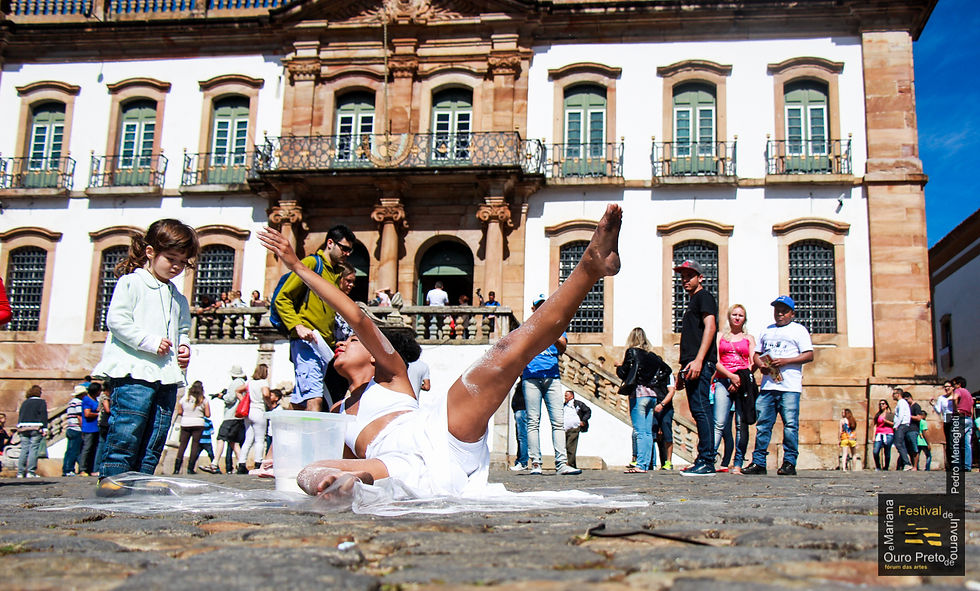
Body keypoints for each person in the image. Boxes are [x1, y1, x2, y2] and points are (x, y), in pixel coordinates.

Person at [252, 203, 621, 497]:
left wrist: (297, 265)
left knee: (507, 350)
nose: (341, 341)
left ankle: (590, 266)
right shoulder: (336, 410)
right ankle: (356, 484)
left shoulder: (392, 375)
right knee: (309, 472)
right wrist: (278, 459)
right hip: (390, 462)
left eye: (350, 341)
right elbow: (320, 450)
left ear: (371, 352)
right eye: (342, 341)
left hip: (438, 432)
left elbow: (358, 317)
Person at [93, 219, 197, 495]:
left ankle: (142, 477)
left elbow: (183, 329)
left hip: (165, 374)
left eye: (182, 261)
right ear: (150, 252)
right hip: (133, 370)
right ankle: (113, 476)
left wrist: (184, 346)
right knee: (128, 425)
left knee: (156, 431)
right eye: (171, 258)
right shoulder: (132, 283)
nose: (176, 266)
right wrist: (148, 342)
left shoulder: (178, 297)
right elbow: (117, 320)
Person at [276, 224, 356, 412]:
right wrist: (297, 326)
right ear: (330, 243)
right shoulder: (312, 264)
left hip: (323, 345)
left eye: (350, 250)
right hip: (307, 342)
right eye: (344, 248)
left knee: (300, 401)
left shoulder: (336, 273)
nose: (347, 254)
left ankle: (279, 439)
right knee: (315, 399)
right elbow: (283, 298)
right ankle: (314, 442)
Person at [743, 295, 813, 476]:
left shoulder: (799, 330)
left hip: (789, 386)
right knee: (763, 425)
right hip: (768, 386)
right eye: (777, 311)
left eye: (784, 311)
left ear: (792, 313)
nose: (780, 314)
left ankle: (789, 462)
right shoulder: (768, 330)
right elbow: (757, 354)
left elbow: (808, 355)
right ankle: (759, 462)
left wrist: (786, 361)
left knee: (790, 425)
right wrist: (761, 365)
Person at [521, 293, 580, 476]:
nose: (542, 308)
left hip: (552, 377)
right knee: (533, 421)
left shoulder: (557, 326)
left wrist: (551, 332)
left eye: (545, 305)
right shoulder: (527, 327)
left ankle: (561, 464)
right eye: (539, 306)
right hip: (531, 376)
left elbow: (562, 348)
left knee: (558, 422)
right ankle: (536, 463)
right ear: (533, 309)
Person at [673, 259, 718, 476]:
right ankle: (703, 458)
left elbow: (711, 327)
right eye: (682, 276)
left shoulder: (704, 297)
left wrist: (700, 360)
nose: (685, 280)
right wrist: (683, 369)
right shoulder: (693, 301)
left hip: (700, 363)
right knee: (697, 410)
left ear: (700, 278)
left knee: (702, 410)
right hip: (691, 364)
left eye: (689, 275)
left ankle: (707, 460)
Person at [617, 327, 671, 473]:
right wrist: (654, 381)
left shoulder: (632, 352)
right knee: (648, 432)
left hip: (638, 394)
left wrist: (618, 367)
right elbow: (667, 370)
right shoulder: (652, 356)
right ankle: (646, 463)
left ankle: (640, 464)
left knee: (640, 431)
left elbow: (624, 373)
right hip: (652, 395)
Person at [711, 304, 757, 475]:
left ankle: (738, 463)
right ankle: (710, 459)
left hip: (743, 383)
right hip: (724, 380)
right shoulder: (720, 337)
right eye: (734, 315)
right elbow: (715, 360)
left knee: (740, 423)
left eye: (741, 315)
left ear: (744, 318)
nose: (737, 318)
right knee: (719, 422)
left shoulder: (749, 338)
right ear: (729, 317)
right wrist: (731, 376)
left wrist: (740, 379)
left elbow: (753, 362)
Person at [209, 365, 247, 475]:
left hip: (231, 415)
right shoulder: (243, 382)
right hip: (238, 417)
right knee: (233, 442)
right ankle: (241, 463)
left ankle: (214, 463)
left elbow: (230, 398)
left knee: (221, 438)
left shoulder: (235, 383)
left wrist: (222, 396)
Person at [237, 364, 271, 474]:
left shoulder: (250, 382)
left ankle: (241, 463)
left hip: (249, 411)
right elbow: (266, 394)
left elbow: (238, 390)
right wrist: (269, 404)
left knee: (248, 439)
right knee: (260, 439)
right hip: (259, 410)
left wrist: (242, 400)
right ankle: (258, 462)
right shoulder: (263, 382)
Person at [173, 381, 210, 474]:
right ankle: (190, 468)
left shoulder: (184, 399)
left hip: (186, 422)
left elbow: (180, 412)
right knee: (195, 445)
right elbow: (208, 414)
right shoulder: (203, 400)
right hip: (198, 423)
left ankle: (177, 469)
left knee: (182, 445)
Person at [16, 385, 48, 478]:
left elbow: (21, 415)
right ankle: (31, 472)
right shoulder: (41, 402)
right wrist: (45, 428)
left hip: (23, 427)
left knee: (24, 449)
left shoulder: (25, 402)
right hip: (35, 427)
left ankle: (20, 472)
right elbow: (43, 415)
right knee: (33, 449)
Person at [950, 376, 973, 471]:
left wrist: (956, 409)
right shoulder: (968, 393)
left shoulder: (958, 391)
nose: (953, 387)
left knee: (955, 442)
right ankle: (967, 466)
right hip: (968, 418)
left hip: (960, 418)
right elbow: (971, 406)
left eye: (954, 384)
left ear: (959, 384)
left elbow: (955, 398)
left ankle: (957, 466)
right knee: (967, 444)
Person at [78, 382, 102, 476]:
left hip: (95, 427)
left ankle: (91, 468)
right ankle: (83, 469)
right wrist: (98, 414)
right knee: (87, 448)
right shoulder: (87, 400)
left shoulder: (95, 399)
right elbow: (87, 414)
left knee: (94, 449)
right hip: (89, 427)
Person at [563, 390, 591, 470]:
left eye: (566, 395)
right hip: (565, 428)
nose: (565, 397)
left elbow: (588, 411)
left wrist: (583, 421)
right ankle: (571, 464)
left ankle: (570, 464)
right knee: (566, 446)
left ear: (571, 396)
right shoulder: (564, 405)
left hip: (574, 428)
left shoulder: (578, 404)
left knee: (570, 446)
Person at [62, 385, 86, 477]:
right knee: (74, 451)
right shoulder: (78, 402)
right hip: (76, 428)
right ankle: (68, 469)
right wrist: (83, 428)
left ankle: (73, 468)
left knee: (71, 450)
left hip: (70, 428)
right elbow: (79, 416)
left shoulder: (72, 402)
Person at [655, 377, 677, 470]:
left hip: (665, 408)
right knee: (652, 435)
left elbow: (671, 391)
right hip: (652, 406)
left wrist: (662, 404)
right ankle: (650, 461)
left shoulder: (667, 372)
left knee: (667, 434)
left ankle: (668, 461)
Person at [900, 390, 925, 470]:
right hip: (906, 429)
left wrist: (908, 416)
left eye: (907, 400)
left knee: (914, 449)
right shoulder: (907, 407)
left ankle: (915, 466)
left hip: (913, 430)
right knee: (908, 449)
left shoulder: (916, 406)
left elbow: (919, 418)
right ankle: (909, 465)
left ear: (910, 398)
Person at [891, 387, 915, 471]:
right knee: (902, 444)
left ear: (898, 394)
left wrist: (896, 425)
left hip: (901, 425)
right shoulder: (902, 402)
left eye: (894, 394)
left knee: (898, 443)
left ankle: (907, 463)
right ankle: (905, 463)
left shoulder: (901, 402)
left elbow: (900, 415)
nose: (892, 395)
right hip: (903, 425)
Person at [510, 379, 528, 471]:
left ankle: (523, 461)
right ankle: (520, 460)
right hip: (519, 411)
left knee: (522, 437)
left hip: (522, 411)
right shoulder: (522, 382)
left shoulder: (526, 381)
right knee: (520, 437)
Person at [871, 399, 894, 471]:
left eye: (883, 404)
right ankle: (878, 466)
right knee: (875, 451)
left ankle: (886, 466)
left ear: (886, 405)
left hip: (888, 433)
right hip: (879, 433)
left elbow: (894, 424)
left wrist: (886, 421)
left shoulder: (890, 414)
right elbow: (875, 425)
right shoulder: (878, 415)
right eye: (880, 404)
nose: (881, 405)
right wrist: (873, 436)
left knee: (887, 451)